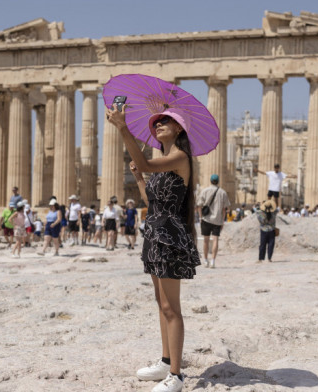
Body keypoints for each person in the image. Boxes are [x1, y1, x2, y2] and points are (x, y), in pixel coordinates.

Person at [108, 104, 200, 392]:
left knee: (172, 308)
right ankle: (164, 362)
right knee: (161, 305)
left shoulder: (180, 157)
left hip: (170, 236)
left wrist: (123, 128)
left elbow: (148, 165)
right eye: (156, 122)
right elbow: (152, 202)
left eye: (165, 121)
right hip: (155, 235)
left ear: (179, 128)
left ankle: (177, 375)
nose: (157, 124)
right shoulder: (165, 161)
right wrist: (137, 177)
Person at [196, 173, 231, 268]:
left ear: (210, 181)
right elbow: (225, 209)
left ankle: (206, 260)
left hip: (206, 219)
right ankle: (213, 261)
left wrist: (200, 217)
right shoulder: (223, 192)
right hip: (217, 220)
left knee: (206, 241)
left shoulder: (205, 191)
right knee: (215, 240)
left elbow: (199, 205)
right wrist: (223, 221)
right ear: (218, 181)